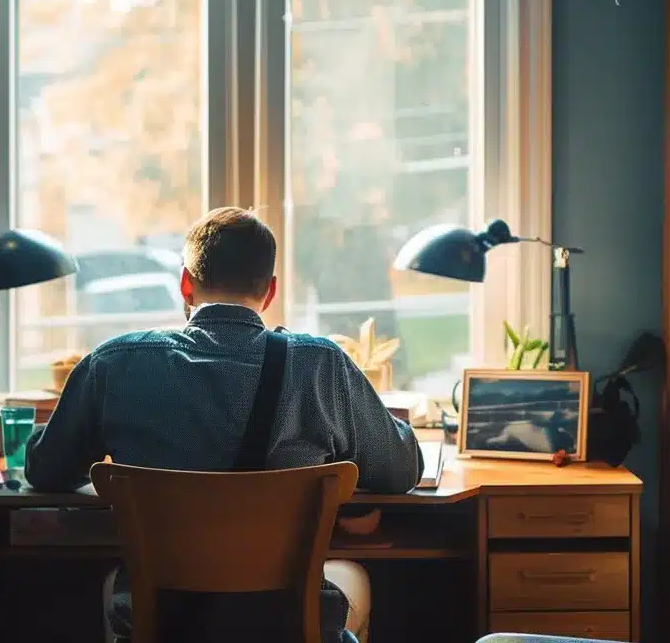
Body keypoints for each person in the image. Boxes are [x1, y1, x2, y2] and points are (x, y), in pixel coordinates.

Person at [24, 207, 422, 643]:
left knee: (116, 588)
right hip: (285, 623)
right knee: (352, 577)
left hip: (169, 619)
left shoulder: (113, 364)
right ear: (269, 292)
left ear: (185, 284)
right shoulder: (321, 365)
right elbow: (400, 470)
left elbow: (45, 471)